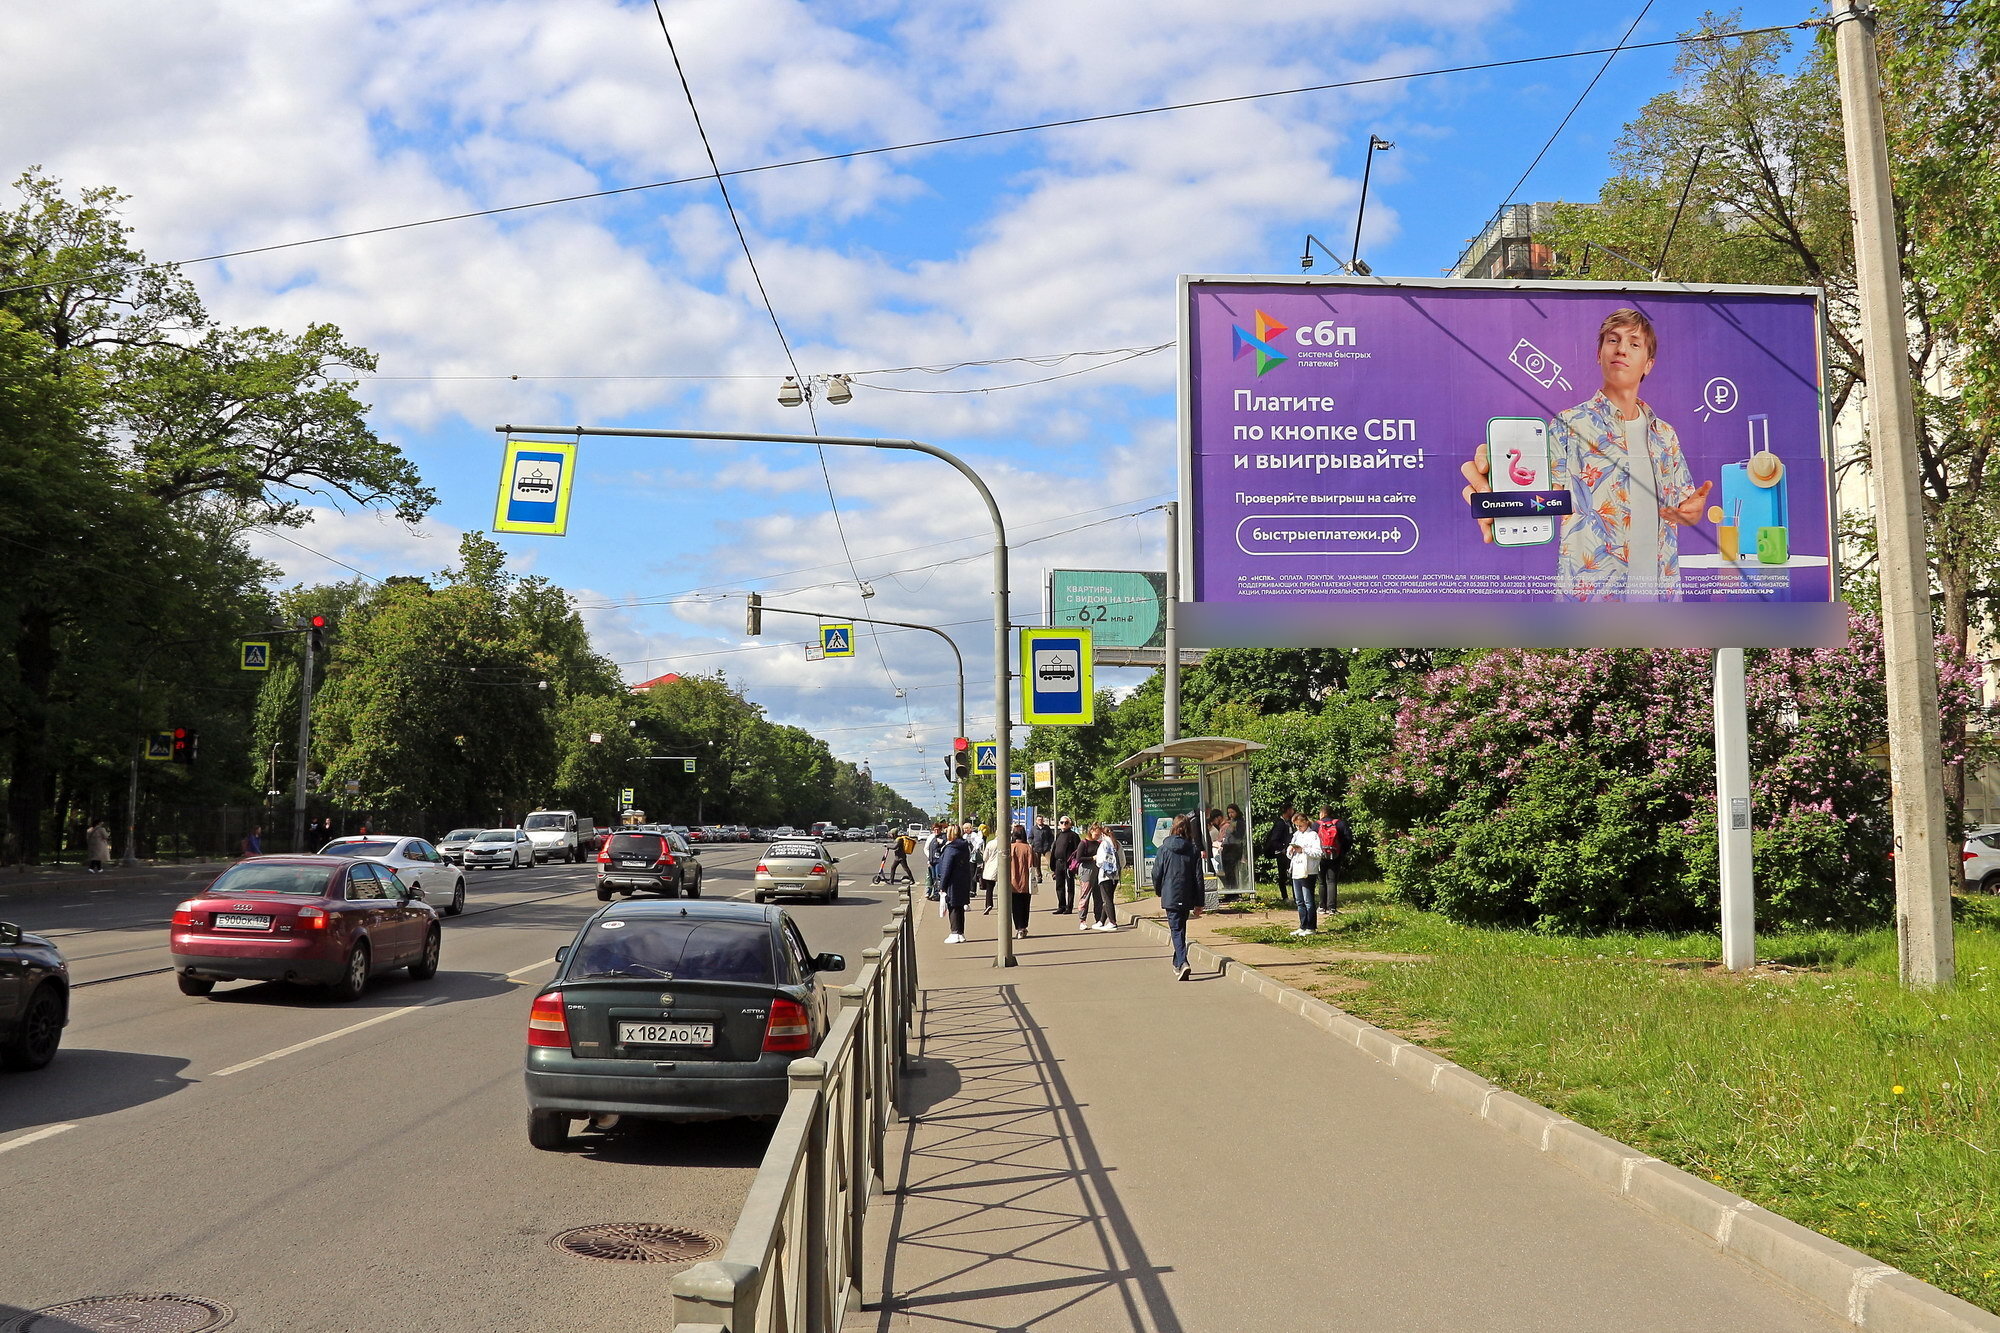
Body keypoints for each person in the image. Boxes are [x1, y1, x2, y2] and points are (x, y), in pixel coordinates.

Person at [1460, 307, 1709, 602]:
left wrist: (1691, 512)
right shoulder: (1570, 425)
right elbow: (1541, 493)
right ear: (1599, 353)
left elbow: (1683, 507)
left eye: (1634, 343)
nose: (1621, 350)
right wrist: (1497, 484)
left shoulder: (1665, 435)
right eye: (1612, 340)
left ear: (1648, 364)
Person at [1155, 814, 1206, 980]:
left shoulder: (1163, 849)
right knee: (1181, 928)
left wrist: (1158, 890)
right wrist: (1199, 902)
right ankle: (1178, 963)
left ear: (1173, 828)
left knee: (1176, 929)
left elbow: (1157, 873)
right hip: (1187, 894)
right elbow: (1198, 877)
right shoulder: (1193, 850)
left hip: (1170, 893)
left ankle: (1183, 962)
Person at [935, 824, 975, 944]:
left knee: (953, 906)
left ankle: (954, 933)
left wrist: (942, 886)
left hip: (952, 882)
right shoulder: (963, 846)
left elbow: (946, 868)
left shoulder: (951, 848)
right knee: (960, 908)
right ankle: (960, 933)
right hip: (962, 880)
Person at [1284, 813, 1323, 936]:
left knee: (1308, 900)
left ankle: (1311, 927)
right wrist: (1290, 851)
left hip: (1308, 870)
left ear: (1306, 822)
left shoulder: (1313, 835)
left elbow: (1318, 853)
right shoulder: (1296, 835)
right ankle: (1303, 925)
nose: (1299, 828)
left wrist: (1303, 850)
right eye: (1296, 826)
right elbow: (1289, 854)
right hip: (1296, 869)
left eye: (1300, 825)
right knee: (1299, 900)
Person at [1315, 805, 1350, 915]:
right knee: (1332, 881)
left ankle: (1321, 907)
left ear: (1322, 813)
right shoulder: (1340, 824)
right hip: (1335, 855)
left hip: (1320, 856)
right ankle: (1332, 908)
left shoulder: (1316, 825)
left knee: (1321, 882)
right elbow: (1348, 839)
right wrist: (1342, 852)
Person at [1089, 822, 1123, 931]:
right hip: (1116, 876)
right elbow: (1123, 861)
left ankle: (1112, 922)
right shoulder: (1117, 844)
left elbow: (1099, 861)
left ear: (1103, 835)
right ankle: (1101, 921)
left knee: (1107, 899)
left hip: (1105, 876)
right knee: (1108, 897)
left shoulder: (1104, 844)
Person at [1263, 801, 1297, 903]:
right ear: (1287, 810)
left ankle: (1296, 896)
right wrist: (1282, 849)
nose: (1293, 811)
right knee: (1283, 875)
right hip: (1282, 853)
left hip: (1290, 852)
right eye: (1291, 809)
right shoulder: (1280, 824)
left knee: (1292, 874)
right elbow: (1274, 839)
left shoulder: (1289, 822)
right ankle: (1285, 897)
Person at [1048, 816, 1080, 916]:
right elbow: (1054, 849)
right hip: (1058, 863)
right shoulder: (1058, 835)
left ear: (1070, 824)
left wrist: (1075, 864)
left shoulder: (1073, 835)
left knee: (1070, 886)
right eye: (1062, 822)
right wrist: (1052, 864)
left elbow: (1078, 850)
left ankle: (1069, 907)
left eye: (1066, 823)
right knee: (1059, 886)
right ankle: (1061, 906)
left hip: (1069, 864)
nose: (1064, 825)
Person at [1008, 824, 1034, 938]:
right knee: (1025, 905)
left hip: (1012, 883)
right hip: (1025, 881)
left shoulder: (1009, 847)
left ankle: (1018, 928)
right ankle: (1023, 927)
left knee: (1015, 906)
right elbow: (1032, 865)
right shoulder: (1028, 848)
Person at [1073, 825, 1101, 930]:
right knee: (1085, 895)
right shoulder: (1083, 843)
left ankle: (1098, 919)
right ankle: (1082, 920)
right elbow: (1078, 858)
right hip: (1086, 870)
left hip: (1097, 870)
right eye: (1096, 834)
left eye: (1099, 835)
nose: (1097, 836)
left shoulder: (1099, 843)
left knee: (1098, 896)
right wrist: (1091, 858)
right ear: (1091, 831)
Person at [1220, 804, 1246, 891]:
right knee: (1227, 871)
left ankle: (1234, 890)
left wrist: (1233, 830)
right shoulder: (1230, 822)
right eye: (1229, 813)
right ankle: (1229, 890)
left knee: (1231, 872)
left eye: (1232, 812)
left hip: (1234, 848)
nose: (1230, 815)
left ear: (1237, 812)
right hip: (1227, 847)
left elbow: (1240, 836)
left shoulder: (1240, 822)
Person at [980, 828, 1003, 914]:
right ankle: (1002, 905)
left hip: (991, 868)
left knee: (989, 889)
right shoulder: (1006, 843)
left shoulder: (990, 843)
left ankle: (988, 904)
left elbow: (985, 857)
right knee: (1002, 888)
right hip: (1003, 868)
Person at [1031, 814, 1053, 888]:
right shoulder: (1033, 829)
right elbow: (1030, 837)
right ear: (1036, 821)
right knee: (1037, 864)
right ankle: (1039, 877)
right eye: (1038, 820)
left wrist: (1049, 844)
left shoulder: (1047, 828)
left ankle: (1054, 874)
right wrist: (1032, 843)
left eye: (1041, 819)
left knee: (1051, 861)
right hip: (1036, 848)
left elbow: (1051, 836)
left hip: (1046, 848)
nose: (1040, 821)